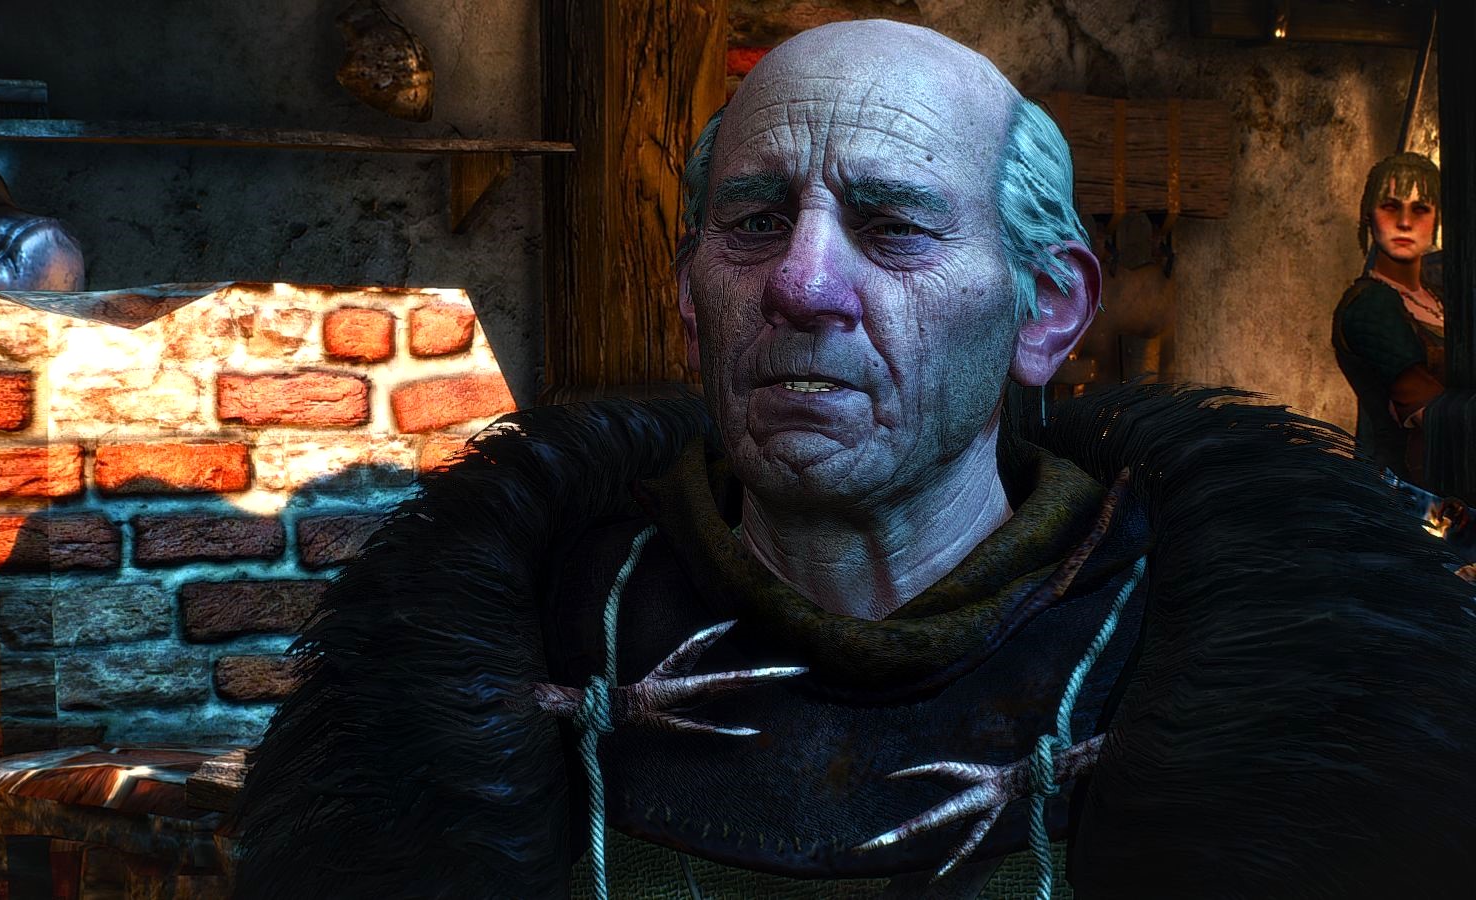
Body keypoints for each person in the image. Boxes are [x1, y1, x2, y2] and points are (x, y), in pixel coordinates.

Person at [234, 22, 1476, 899]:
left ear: (1047, 310)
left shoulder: (1249, 675)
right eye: (754, 221)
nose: (804, 283)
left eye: (891, 227)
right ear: (688, 300)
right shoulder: (504, 656)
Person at [1332, 152, 1443, 488]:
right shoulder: (1370, 305)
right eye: (1391, 207)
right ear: (1369, 215)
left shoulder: (1440, 297)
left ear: (1436, 219)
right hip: (1402, 495)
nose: (1405, 222)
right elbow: (1433, 415)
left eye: (1420, 209)